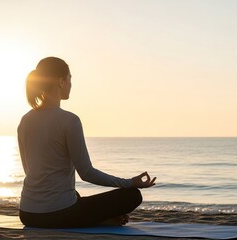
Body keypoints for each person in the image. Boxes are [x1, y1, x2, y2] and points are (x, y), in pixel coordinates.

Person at [17, 57, 156, 228]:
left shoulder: (25, 120)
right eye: (70, 78)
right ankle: (101, 220)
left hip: (27, 213)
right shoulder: (69, 120)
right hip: (58, 215)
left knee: (74, 196)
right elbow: (87, 173)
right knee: (132, 196)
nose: (71, 84)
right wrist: (129, 182)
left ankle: (100, 219)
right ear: (61, 81)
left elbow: (29, 170)